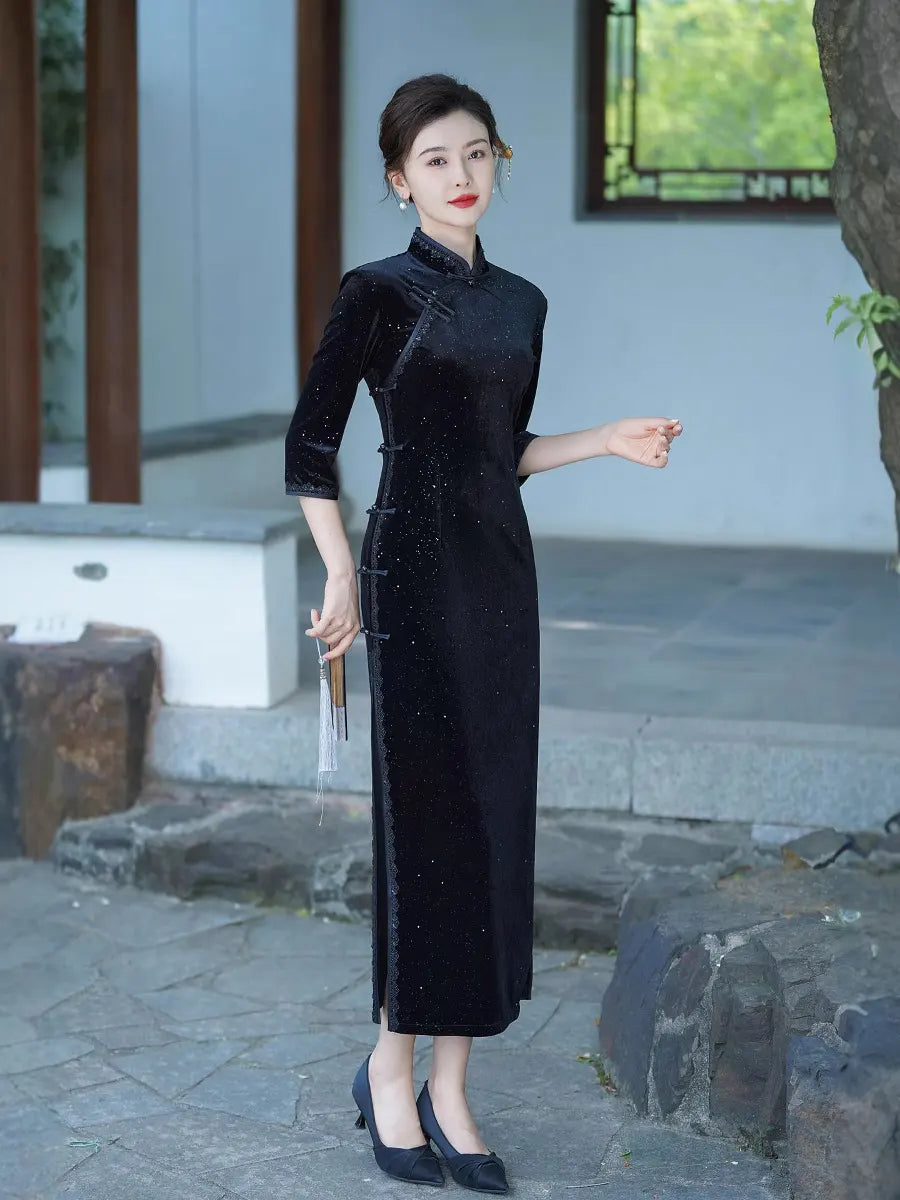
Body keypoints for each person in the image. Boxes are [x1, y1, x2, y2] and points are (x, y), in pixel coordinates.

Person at [284, 73, 682, 1193]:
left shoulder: (525, 305)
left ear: (497, 161)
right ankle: (390, 1067)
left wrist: (605, 438)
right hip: (406, 577)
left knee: (493, 827)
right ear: (397, 180)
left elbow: (499, 450)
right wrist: (341, 573)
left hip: (501, 580)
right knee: (427, 834)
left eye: (477, 155)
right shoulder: (373, 294)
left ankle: (453, 1086)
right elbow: (310, 451)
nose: (461, 178)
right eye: (436, 161)